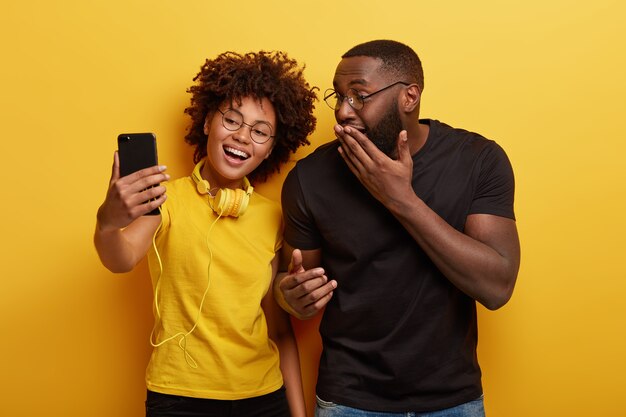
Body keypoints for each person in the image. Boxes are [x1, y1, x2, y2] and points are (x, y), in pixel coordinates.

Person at [276, 40, 521, 416]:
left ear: (409, 97)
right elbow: (294, 291)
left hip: (452, 401)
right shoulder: (309, 179)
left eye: (359, 96)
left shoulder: (478, 161)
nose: (343, 111)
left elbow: (497, 286)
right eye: (339, 96)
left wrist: (401, 199)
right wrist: (291, 297)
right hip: (349, 401)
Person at [94, 51, 317, 417]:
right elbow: (120, 259)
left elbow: (280, 329)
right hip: (179, 397)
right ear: (208, 122)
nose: (243, 137)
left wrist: (298, 414)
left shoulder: (274, 217)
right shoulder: (167, 199)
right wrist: (107, 221)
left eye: (260, 131)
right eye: (232, 120)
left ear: (271, 149)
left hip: (264, 396)